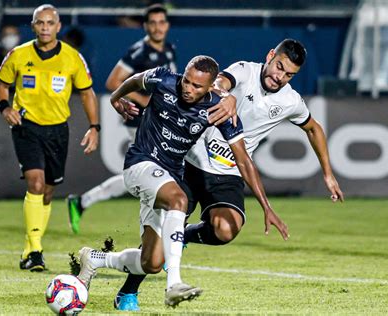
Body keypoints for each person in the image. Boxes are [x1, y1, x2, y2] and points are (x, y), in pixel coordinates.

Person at [108, 39, 345, 311]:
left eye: (288, 74)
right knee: (155, 253)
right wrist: (226, 94)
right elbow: (219, 82)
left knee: (227, 229)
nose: (279, 77)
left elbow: (313, 129)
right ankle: (129, 289)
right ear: (270, 56)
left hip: (229, 172)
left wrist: (328, 174)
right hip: (190, 161)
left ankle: (183, 236)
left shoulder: (290, 100)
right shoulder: (245, 71)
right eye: (279, 66)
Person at [75, 56, 288, 309]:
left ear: (210, 87)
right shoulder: (164, 79)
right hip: (141, 164)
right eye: (187, 81)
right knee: (179, 199)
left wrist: (266, 207)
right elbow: (133, 80)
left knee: (151, 262)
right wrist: (114, 99)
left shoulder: (219, 109)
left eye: (197, 86)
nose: (188, 88)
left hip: (168, 177)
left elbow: (243, 160)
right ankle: (174, 284)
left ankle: (95, 259)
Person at [0, 4, 100, 272]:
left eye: (49, 23)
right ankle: (35, 251)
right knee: (36, 183)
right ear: (32, 26)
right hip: (26, 126)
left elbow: (87, 93)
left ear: (58, 26)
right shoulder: (18, 54)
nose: (44, 27)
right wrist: (5, 107)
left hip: (57, 130)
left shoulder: (72, 57)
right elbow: (1, 84)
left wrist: (94, 127)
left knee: (49, 190)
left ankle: (32, 245)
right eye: (39, 23)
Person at [67, 3, 177, 234]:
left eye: (161, 22)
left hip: (159, 121)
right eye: (153, 23)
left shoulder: (169, 49)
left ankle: (83, 201)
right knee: (153, 174)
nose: (158, 28)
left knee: (143, 174)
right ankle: (156, 234)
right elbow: (112, 82)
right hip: (140, 121)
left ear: (167, 25)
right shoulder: (138, 52)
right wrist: (142, 99)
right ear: (145, 26)